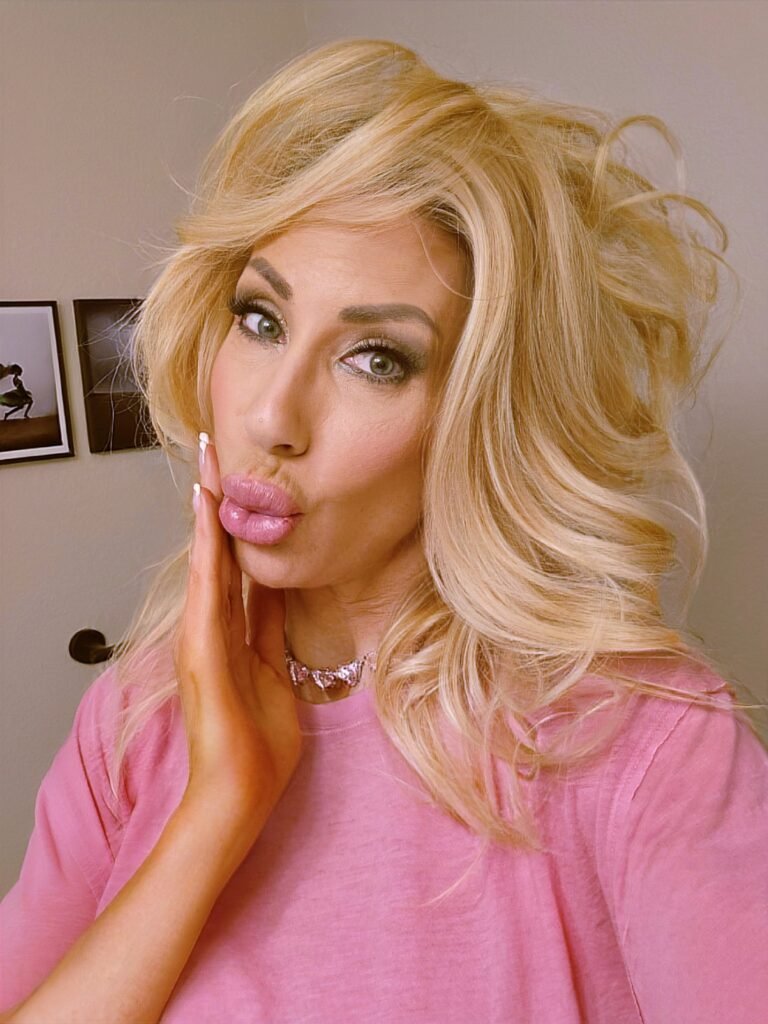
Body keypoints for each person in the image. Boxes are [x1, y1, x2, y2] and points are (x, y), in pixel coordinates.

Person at [1, 37, 766, 1024]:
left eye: (376, 359)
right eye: (261, 319)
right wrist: (216, 809)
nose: (271, 416)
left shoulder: (642, 746)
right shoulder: (132, 721)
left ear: (481, 415)